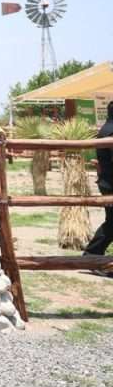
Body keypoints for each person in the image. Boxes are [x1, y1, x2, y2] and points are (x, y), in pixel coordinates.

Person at [83, 102, 113, 267]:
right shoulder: (111, 131)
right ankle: (91, 256)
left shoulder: (106, 128)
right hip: (110, 183)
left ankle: (92, 256)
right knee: (112, 222)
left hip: (107, 181)